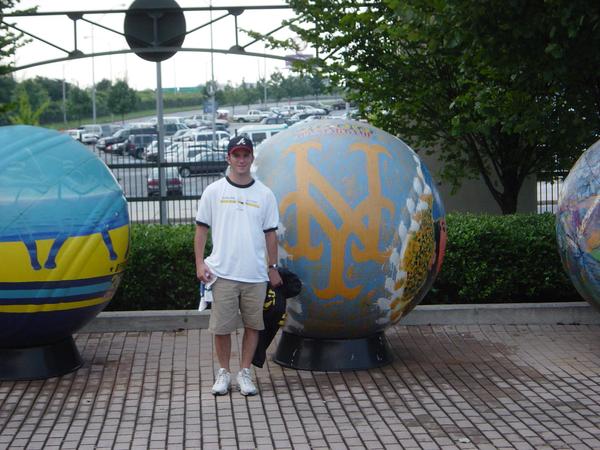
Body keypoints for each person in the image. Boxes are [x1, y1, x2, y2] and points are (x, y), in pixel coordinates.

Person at [194, 135, 282, 396]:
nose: (241, 160)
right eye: (237, 155)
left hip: (255, 274)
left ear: (252, 158)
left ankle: (245, 372)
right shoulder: (214, 191)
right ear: (228, 158)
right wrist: (199, 263)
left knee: (253, 326)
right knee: (221, 328)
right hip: (222, 273)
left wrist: (272, 266)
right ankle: (223, 373)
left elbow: (270, 234)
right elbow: (201, 230)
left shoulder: (265, 194)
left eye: (246, 155)